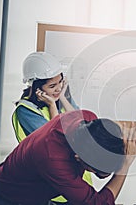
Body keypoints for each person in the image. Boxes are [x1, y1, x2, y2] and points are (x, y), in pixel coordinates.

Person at [0, 109, 136, 205]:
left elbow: (101, 173)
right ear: (78, 158)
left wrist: (118, 139)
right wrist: (125, 167)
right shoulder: (54, 159)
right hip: (9, 198)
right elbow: (97, 203)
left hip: (35, 192)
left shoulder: (86, 119)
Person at [11, 51, 90, 204]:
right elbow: (55, 141)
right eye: (52, 86)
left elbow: (83, 124)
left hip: (77, 183)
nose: (58, 88)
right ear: (36, 88)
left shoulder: (60, 97)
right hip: (52, 189)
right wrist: (52, 105)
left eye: (61, 82)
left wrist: (61, 97)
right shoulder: (26, 111)